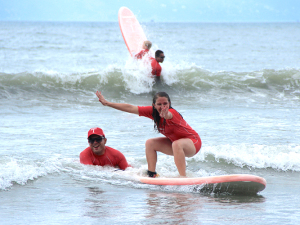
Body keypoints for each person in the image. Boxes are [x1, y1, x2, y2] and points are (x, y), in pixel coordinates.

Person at [95, 91, 201, 177]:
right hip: (176, 144)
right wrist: (108, 103)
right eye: (159, 104)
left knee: (177, 144)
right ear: (154, 105)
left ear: (169, 104)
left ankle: (183, 177)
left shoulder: (173, 113)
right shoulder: (152, 112)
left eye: (165, 104)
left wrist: (166, 114)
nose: (162, 107)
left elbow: (168, 115)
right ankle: (152, 174)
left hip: (193, 143)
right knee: (150, 143)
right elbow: (130, 108)